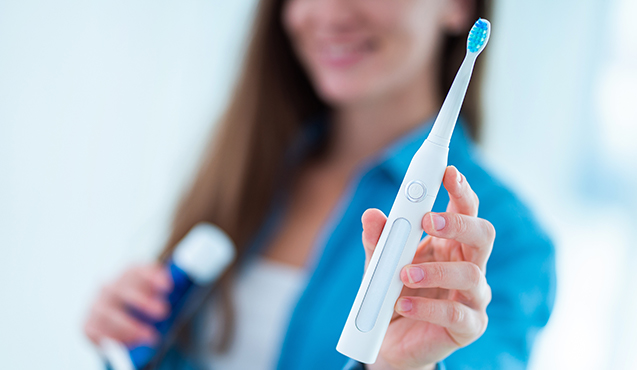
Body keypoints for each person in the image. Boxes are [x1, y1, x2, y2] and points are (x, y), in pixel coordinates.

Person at [84, 0, 556, 369]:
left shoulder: (506, 243)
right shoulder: (246, 173)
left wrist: (401, 368)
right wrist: (129, 344)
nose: (330, 13)